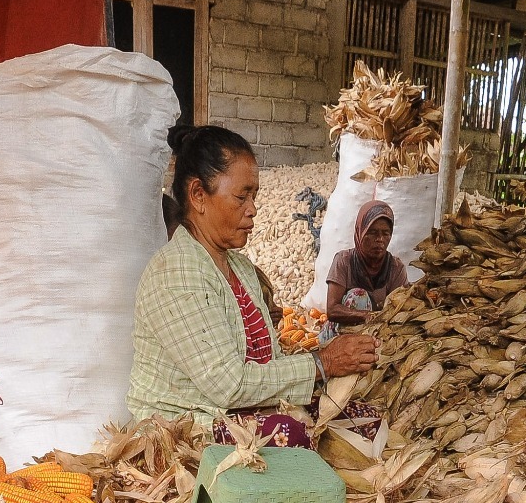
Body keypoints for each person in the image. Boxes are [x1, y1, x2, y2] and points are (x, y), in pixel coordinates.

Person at [128, 125, 378, 442]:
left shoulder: (240, 267)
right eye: (241, 196)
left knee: (362, 419)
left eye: (254, 196)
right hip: (188, 425)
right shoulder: (176, 271)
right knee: (295, 434)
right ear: (198, 195)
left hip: (240, 412)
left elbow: (266, 363)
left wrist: (330, 363)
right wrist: (323, 363)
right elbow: (228, 385)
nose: (253, 209)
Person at [325, 201, 406, 326]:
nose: (380, 239)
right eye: (373, 233)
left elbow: (399, 308)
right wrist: (366, 315)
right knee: (358, 296)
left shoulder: (396, 267)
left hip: (378, 332)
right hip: (341, 336)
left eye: (385, 233)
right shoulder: (344, 260)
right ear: (360, 232)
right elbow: (332, 310)